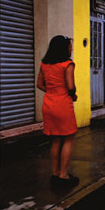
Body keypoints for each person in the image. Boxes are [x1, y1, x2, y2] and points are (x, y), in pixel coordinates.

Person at [37, 35, 79, 188]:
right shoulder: (68, 64)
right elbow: (70, 86)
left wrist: (53, 91)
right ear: (64, 48)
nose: (71, 48)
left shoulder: (45, 64)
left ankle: (55, 173)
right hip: (63, 105)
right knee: (68, 139)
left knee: (55, 140)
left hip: (48, 104)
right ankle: (64, 175)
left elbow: (39, 84)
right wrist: (73, 95)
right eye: (69, 46)